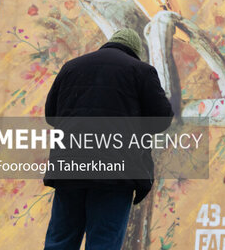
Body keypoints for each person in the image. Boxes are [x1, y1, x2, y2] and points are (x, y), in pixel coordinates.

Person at [43, 28, 174, 250]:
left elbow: (51, 114)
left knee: (61, 239)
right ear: (134, 51)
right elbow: (162, 119)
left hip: (69, 167)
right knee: (104, 241)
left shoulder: (71, 67)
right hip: (115, 170)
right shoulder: (141, 71)